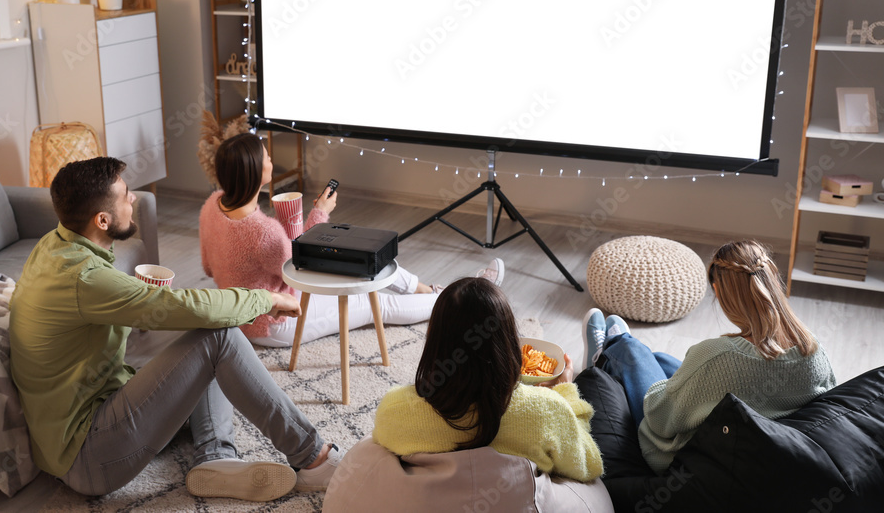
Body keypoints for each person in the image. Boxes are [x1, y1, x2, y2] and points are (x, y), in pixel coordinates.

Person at [9, 157, 342, 502]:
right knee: (219, 334)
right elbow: (185, 306)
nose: (134, 199)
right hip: (89, 458)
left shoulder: (53, 246)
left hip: (80, 432)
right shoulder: (84, 278)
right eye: (125, 196)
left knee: (210, 327)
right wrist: (264, 299)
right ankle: (313, 459)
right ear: (102, 220)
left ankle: (216, 457)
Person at [198, 132, 505, 347]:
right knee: (373, 303)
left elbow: (210, 268)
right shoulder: (261, 231)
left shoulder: (212, 205)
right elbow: (304, 270)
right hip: (273, 323)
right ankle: (457, 300)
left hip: (239, 312)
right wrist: (318, 213)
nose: (270, 159)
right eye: (266, 156)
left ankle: (429, 289)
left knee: (365, 264)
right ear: (254, 171)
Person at [581, 240, 837, 473]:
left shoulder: (718, 356)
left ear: (718, 290)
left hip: (687, 456)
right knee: (661, 359)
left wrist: (668, 389)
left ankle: (606, 355)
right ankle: (629, 354)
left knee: (633, 353)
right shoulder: (814, 350)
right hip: (758, 450)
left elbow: (660, 419)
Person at [372, 277, 604, 482]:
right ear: (508, 341)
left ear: (434, 339)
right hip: (523, 502)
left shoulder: (394, 409)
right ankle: (606, 355)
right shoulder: (548, 409)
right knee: (603, 384)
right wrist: (566, 392)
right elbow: (589, 467)